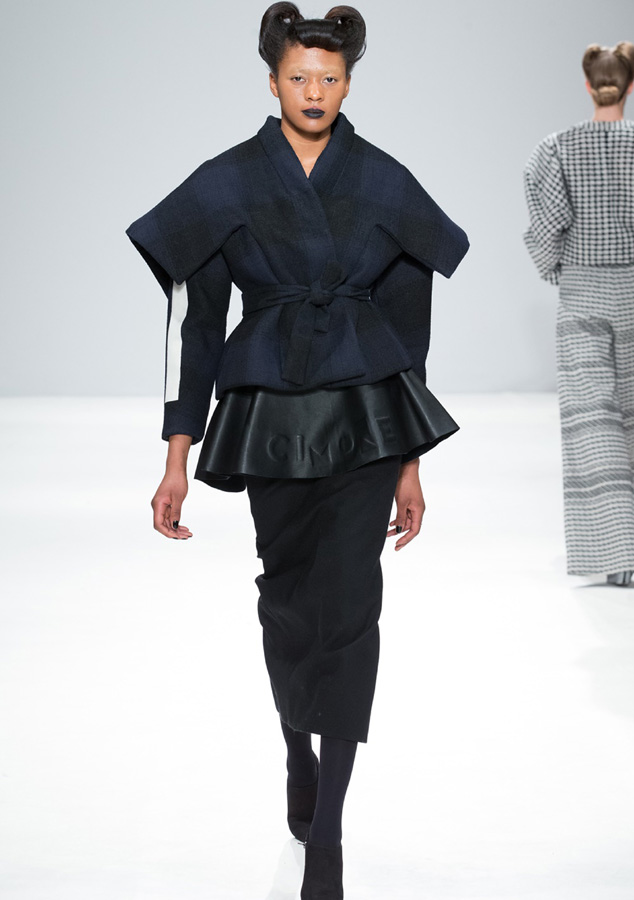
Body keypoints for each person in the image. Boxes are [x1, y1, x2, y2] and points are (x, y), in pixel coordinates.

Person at [126, 4, 469, 896]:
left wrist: (411, 462)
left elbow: (410, 328)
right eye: (298, 76)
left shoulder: (383, 181)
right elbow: (196, 324)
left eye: (331, 77)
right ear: (272, 80)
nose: (314, 91)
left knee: (351, 611)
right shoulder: (227, 183)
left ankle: (331, 835)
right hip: (270, 412)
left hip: (366, 413)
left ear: (349, 82)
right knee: (286, 604)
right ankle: (296, 747)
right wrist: (175, 453)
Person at [523, 42, 634, 587]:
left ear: (589, 86)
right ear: (630, 86)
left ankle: (618, 554)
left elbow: (546, 228)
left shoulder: (556, 149)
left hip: (583, 293)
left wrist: (558, 272)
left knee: (593, 423)